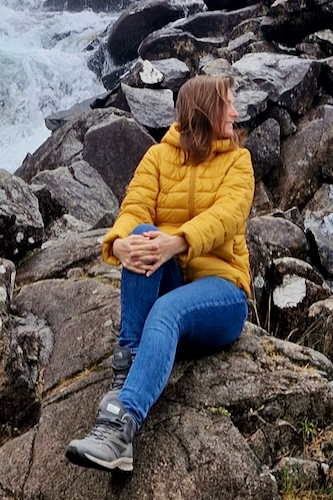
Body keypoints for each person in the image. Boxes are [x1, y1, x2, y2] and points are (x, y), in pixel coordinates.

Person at [65, 73, 254, 473]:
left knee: (166, 310)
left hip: (221, 293)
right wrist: (117, 245)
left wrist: (177, 241)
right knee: (138, 235)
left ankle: (120, 425)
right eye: (228, 104)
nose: (236, 112)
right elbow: (133, 207)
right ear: (205, 112)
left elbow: (227, 217)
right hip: (173, 280)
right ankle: (129, 361)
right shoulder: (159, 156)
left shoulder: (238, 161)